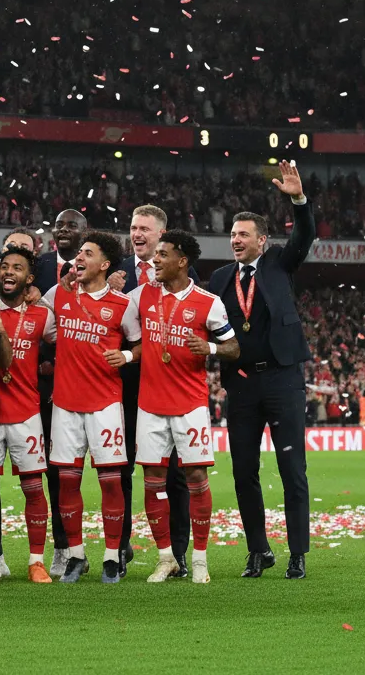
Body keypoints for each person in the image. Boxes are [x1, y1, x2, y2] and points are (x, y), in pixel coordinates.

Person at [207, 160, 315, 580]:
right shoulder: (220, 278)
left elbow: (304, 237)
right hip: (242, 385)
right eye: (233, 235)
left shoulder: (280, 264)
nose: (236, 240)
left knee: (292, 471)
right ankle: (258, 550)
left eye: (244, 235)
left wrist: (298, 200)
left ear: (262, 240)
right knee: (243, 472)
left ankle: (297, 554)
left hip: (283, 380)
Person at [129, 230, 239, 584]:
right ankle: (166, 558)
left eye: (163, 254)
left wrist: (209, 348)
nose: (155, 260)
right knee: (152, 481)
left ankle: (201, 559)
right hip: (150, 404)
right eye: (155, 254)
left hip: (190, 404)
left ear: (182, 260)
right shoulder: (142, 295)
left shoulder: (209, 302)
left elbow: (234, 347)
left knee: (196, 477)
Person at [38, 231, 141, 583]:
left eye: (87, 253)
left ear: (105, 264)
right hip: (66, 405)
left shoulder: (123, 304)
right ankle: (76, 555)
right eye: (78, 252)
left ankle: (112, 556)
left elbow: (140, 345)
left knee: (111, 483)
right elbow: (43, 329)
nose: (79, 257)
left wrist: (126, 356)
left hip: (105, 404)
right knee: (67, 482)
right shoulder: (58, 294)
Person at [108, 204, 197, 578]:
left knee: (175, 473)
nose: (137, 234)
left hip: (168, 386)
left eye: (145, 228)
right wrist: (109, 291)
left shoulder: (183, 274)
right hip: (124, 385)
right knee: (122, 468)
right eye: (133, 227)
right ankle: (120, 548)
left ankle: (177, 552)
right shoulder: (113, 271)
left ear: (162, 235)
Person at [0, 246, 57, 583]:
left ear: (29, 278)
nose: (8, 272)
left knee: (33, 488)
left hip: (26, 413)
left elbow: (67, 347)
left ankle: (36, 561)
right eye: (4, 266)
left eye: (17, 268)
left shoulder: (43, 315)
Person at [30, 208, 87, 576]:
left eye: (71, 225)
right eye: (59, 225)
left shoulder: (95, 267)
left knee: (62, 470)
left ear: (85, 232)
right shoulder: (37, 266)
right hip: (32, 380)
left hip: (75, 380)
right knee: (34, 471)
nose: (63, 230)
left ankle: (66, 546)